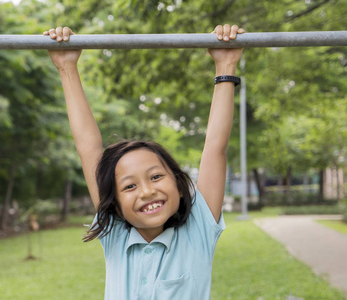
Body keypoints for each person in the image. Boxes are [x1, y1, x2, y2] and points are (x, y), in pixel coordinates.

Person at [44, 24, 245, 300]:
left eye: (155, 177)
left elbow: (214, 147)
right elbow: (88, 148)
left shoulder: (198, 230)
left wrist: (226, 63)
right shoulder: (115, 233)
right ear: (114, 202)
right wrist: (67, 68)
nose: (147, 191)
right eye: (129, 187)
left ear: (177, 183)